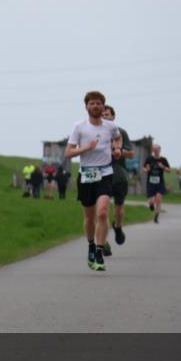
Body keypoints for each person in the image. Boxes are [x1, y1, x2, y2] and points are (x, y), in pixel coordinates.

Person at [65, 91, 122, 272]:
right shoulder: (79, 127)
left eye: (98, 103)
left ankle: (99, 251)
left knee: (103, 213)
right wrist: (85, 148)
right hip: (86, 174)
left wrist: (117, 148)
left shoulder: (110, 126)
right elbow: (68, 153)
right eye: (92, 103)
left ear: (103, 106)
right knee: (89, 217)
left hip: (105, 173)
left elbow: (118, 137)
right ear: (86, 106)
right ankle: (90, 245)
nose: (95, 106)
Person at [101, 105, 134, 254]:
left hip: (119, 176)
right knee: (102, 211)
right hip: (101, 177)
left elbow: (131, 153)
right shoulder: (95, 134)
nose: (104, 117)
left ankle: (118, 226)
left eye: (107, 114)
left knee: (118, 211)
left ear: (113, 117)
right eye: (102, 115)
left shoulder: (121, 133)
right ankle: (104, 242)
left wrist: (118, 150)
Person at [144, 144, 171, 224]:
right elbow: (144, 168)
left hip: (160, 183)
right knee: (152, 201)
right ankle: (151, 205)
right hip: (150, 183)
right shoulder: (149, 159)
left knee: (158, 200)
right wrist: (146, 169)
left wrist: (163, 167)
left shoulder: (163, 160)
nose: (156, 151)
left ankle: (156, 216)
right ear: (152, 150)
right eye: (154, 150)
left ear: (160, 150)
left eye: (157, 150)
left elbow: (169, 171)